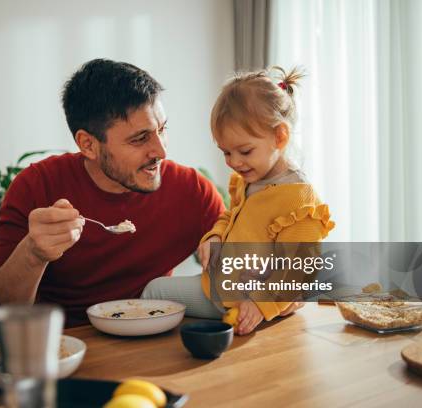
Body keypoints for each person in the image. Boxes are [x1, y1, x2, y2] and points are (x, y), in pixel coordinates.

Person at [0, 59, 226, 327]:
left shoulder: (191, 191)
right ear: (88, 144)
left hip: (153, 346)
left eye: (162, 130)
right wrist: (33, 254)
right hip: (62, 349)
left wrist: (230, 253)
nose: (161, 151)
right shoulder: (37, 186)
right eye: (140, 139)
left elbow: (261, 285)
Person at [141, 67, 335, 335]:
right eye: (226, 152)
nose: (233, 162)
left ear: (280, 136)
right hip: (222, 285)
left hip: (241, 297)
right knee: (157, 290)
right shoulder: (248, 181)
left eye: (244, 151)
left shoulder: (299, 200)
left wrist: (260, 304)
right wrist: (215, 237)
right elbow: (229, 218)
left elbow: (299, 270)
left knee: (154, 291)